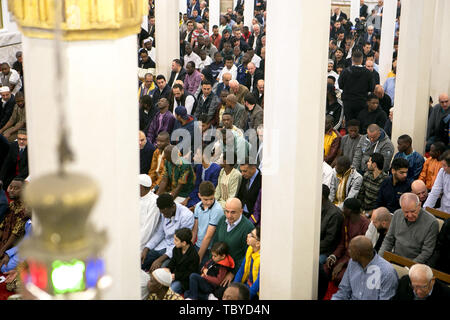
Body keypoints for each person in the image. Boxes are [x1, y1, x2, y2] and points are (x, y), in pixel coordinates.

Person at [210, 198, 255, 295]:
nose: (229, 216)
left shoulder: (248, 227)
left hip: (234, 270)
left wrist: (233, 273)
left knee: (221, 293)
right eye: (227, 211)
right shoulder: (222, 220)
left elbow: (247, 255)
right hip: (218, 265)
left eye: (233, 212)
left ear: (241, 211)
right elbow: (216, 242)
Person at [331, 236, 398, 300]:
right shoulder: (352, 262)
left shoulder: (387, 273)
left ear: (358, 254)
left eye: (350, 249)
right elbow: (344, 291)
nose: (348, 251)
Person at [379, 193, 439, 264]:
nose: (410, 215)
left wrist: (408, 266)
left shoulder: (432, 223)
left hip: (415, 265)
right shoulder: (397, 214)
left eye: (413, 211)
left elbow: (426, 252)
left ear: (419, 205)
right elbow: (388, 240)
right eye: (406, 212)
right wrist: (380, 259)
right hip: (394, 259)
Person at [141, 193, 194, 272]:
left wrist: (160, 259)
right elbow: (159, 233)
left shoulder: (186, 216)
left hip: (176, 250)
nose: (164, 216)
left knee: (160, 272)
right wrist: (146, 248)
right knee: (140, 262)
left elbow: (180, 243)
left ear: (173, 207)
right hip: (163, 245)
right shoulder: (165, 211)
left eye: (165, 213)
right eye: (162, 213)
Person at [324, 198, 370, 285]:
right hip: (344, 256)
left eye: (344, 208)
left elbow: (362, 252)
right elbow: (342, 243)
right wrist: (334, 256)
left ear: (350, 210)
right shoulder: (346, 221)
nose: (342, 209)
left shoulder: (365, 225)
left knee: (338, 278)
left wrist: (343, 263)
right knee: (325, 269)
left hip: (356, 260)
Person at [192, 181, 225, 267]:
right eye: (205, 199)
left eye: (211, 198)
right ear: (199, 196)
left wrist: (199, 257)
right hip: (197, 245)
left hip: (209, 249)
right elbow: (195, 230)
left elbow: (208, 237)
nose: (209, 202)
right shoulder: (198, 206)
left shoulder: (217, 210)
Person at [338, 50, 375, 121]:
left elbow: (340, 85)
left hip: (348, 102)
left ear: (352, 59)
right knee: (360, 123)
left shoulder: (345, 72)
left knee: (349, 123)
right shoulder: (368, 73)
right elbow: (371, 88)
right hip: (362, 102)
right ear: (362, 59)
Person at [166, 227, 199, 294]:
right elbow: (173, 261)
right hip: (174, 275)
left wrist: (176, 276)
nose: (174, 242)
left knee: (171, 291)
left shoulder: (193, 255)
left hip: (184, 281)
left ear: (184, 243)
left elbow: (190, 273)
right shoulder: (176, 249)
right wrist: (168, 268)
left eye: (176, 240)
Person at [0, 178, 28, 258]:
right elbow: (3, 226)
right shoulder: (12, 205)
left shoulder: (25, 209)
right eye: (11, 187)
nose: (11, 190)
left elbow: (16, 233)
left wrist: (3, 250)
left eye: (16, 188)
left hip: (13, 247)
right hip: (4, 242)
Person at [234, 226, 261, 300]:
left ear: (258, 243)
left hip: (255, 293)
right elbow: (242, 269)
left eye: (252, 235)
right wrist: (234, 287)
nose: (248, 235)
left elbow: (258, 283)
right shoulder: (250, 249)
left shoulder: (262, 259)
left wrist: (246, 297)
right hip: (247, 284)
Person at [320, 184, 344, 265]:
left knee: (310, 263)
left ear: (322, 196)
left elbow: (329, 241)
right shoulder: (317, 207)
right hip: (315, 246)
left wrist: (310, 248)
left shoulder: (335, 214)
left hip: (326, 251)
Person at [139, 174, 160, 252]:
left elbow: (148, 228)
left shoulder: (154, 202)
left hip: (143, 243)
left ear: (140, 187)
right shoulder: (136, 197)